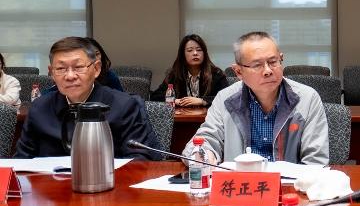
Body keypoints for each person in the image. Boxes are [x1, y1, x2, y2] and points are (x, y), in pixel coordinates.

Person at [183, 31, 328, 165]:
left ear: (281, 59)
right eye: (257, 65)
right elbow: (205, 140)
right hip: (240, 183)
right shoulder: (225, 99)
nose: (268, 71)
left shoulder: (307, 99)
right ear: (239, 72)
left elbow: (315, 162)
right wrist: (202, 155)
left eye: (273, 62)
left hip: (289, 183)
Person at [15, 37, 161, 159]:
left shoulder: (124, 105)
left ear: (96, 69)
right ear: (51, 73)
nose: (70, 76)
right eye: (60, 69)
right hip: (50, 184)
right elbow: (22, 160)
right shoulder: (39, 108)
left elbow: (140, 160)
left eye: (78, 67)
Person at [151, 34, 228, 107]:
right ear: (183, 55)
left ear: (204, 53)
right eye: (190, 50)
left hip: (208, 115)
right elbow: (155, 96)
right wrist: (174, 100)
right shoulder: (175, 74)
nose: (195, 53)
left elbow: (227, 97)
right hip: (181, 116)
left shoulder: (216, 74)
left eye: (199, 50)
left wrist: (203, 101)